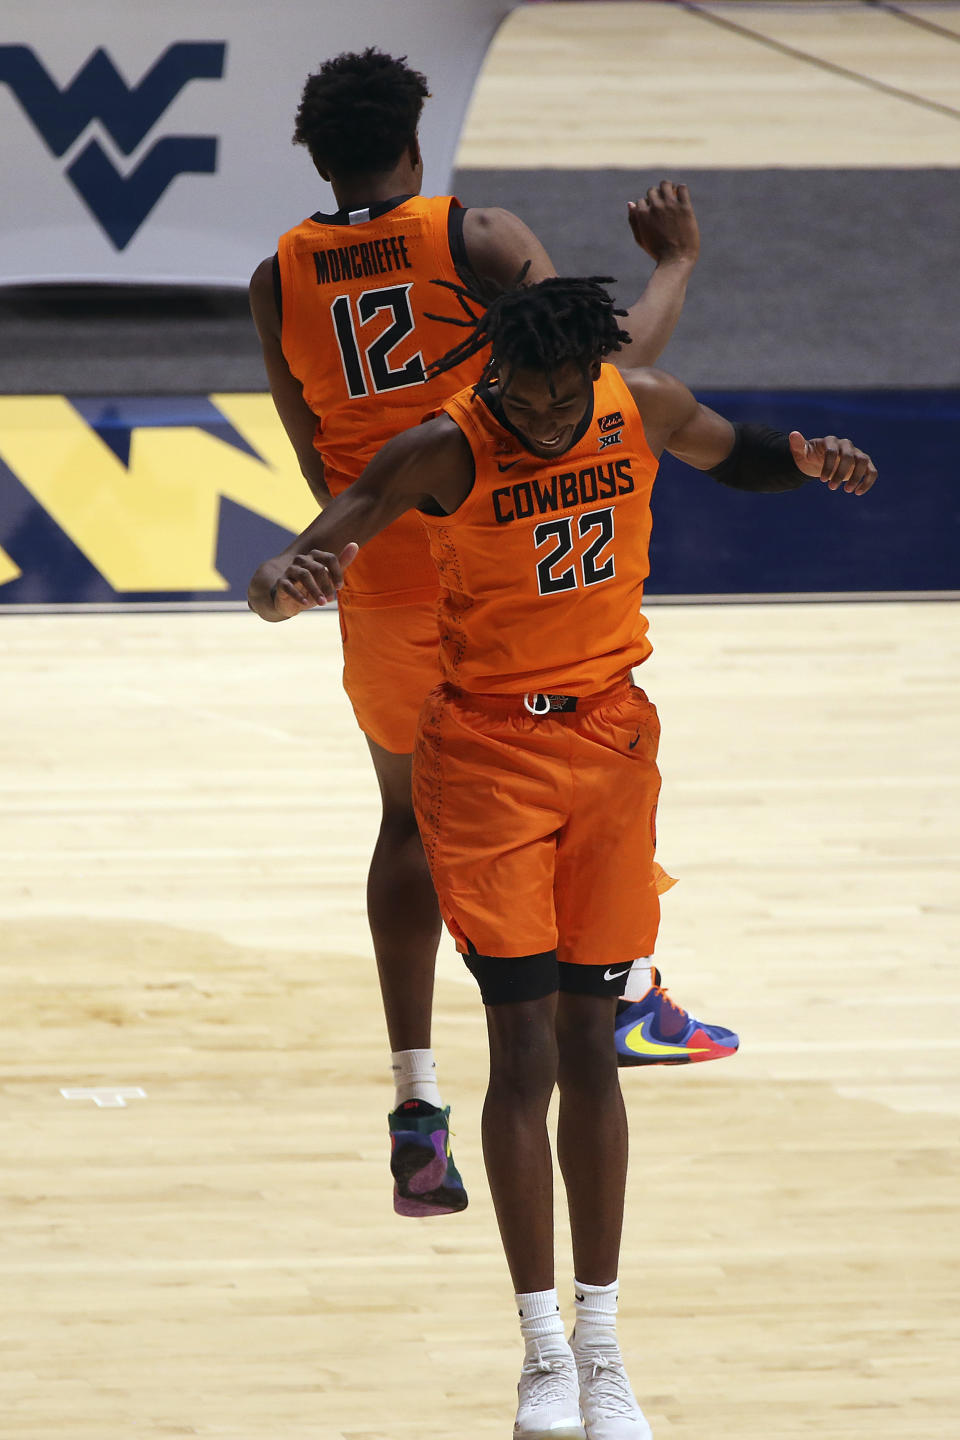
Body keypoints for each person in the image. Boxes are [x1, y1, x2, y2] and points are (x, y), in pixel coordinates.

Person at [248, 273, 876, 1437]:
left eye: (558, 399)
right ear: (494, 377)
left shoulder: (631, 400)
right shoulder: (446, 446)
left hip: (611, 741)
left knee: (599, 1041)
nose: (544, 420)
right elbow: (307, 553)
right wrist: (283, 588)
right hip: (487, 754)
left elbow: (733, 451)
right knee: (524, 1047)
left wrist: (811, 457)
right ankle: (540, 1351)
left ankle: (604, 1343)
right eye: (525, 399)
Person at [249, 47, 736, 1221]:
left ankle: (417, 1107)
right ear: (418, 144)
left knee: (409, 821)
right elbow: (604, 370)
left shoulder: (278, 278)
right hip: (497, 551)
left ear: (318, 156)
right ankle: (609, 1000)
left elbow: (321, 457)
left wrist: (352, 536)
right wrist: (673, 262)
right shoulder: (474, 234)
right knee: (575, 760)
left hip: (375, 567)